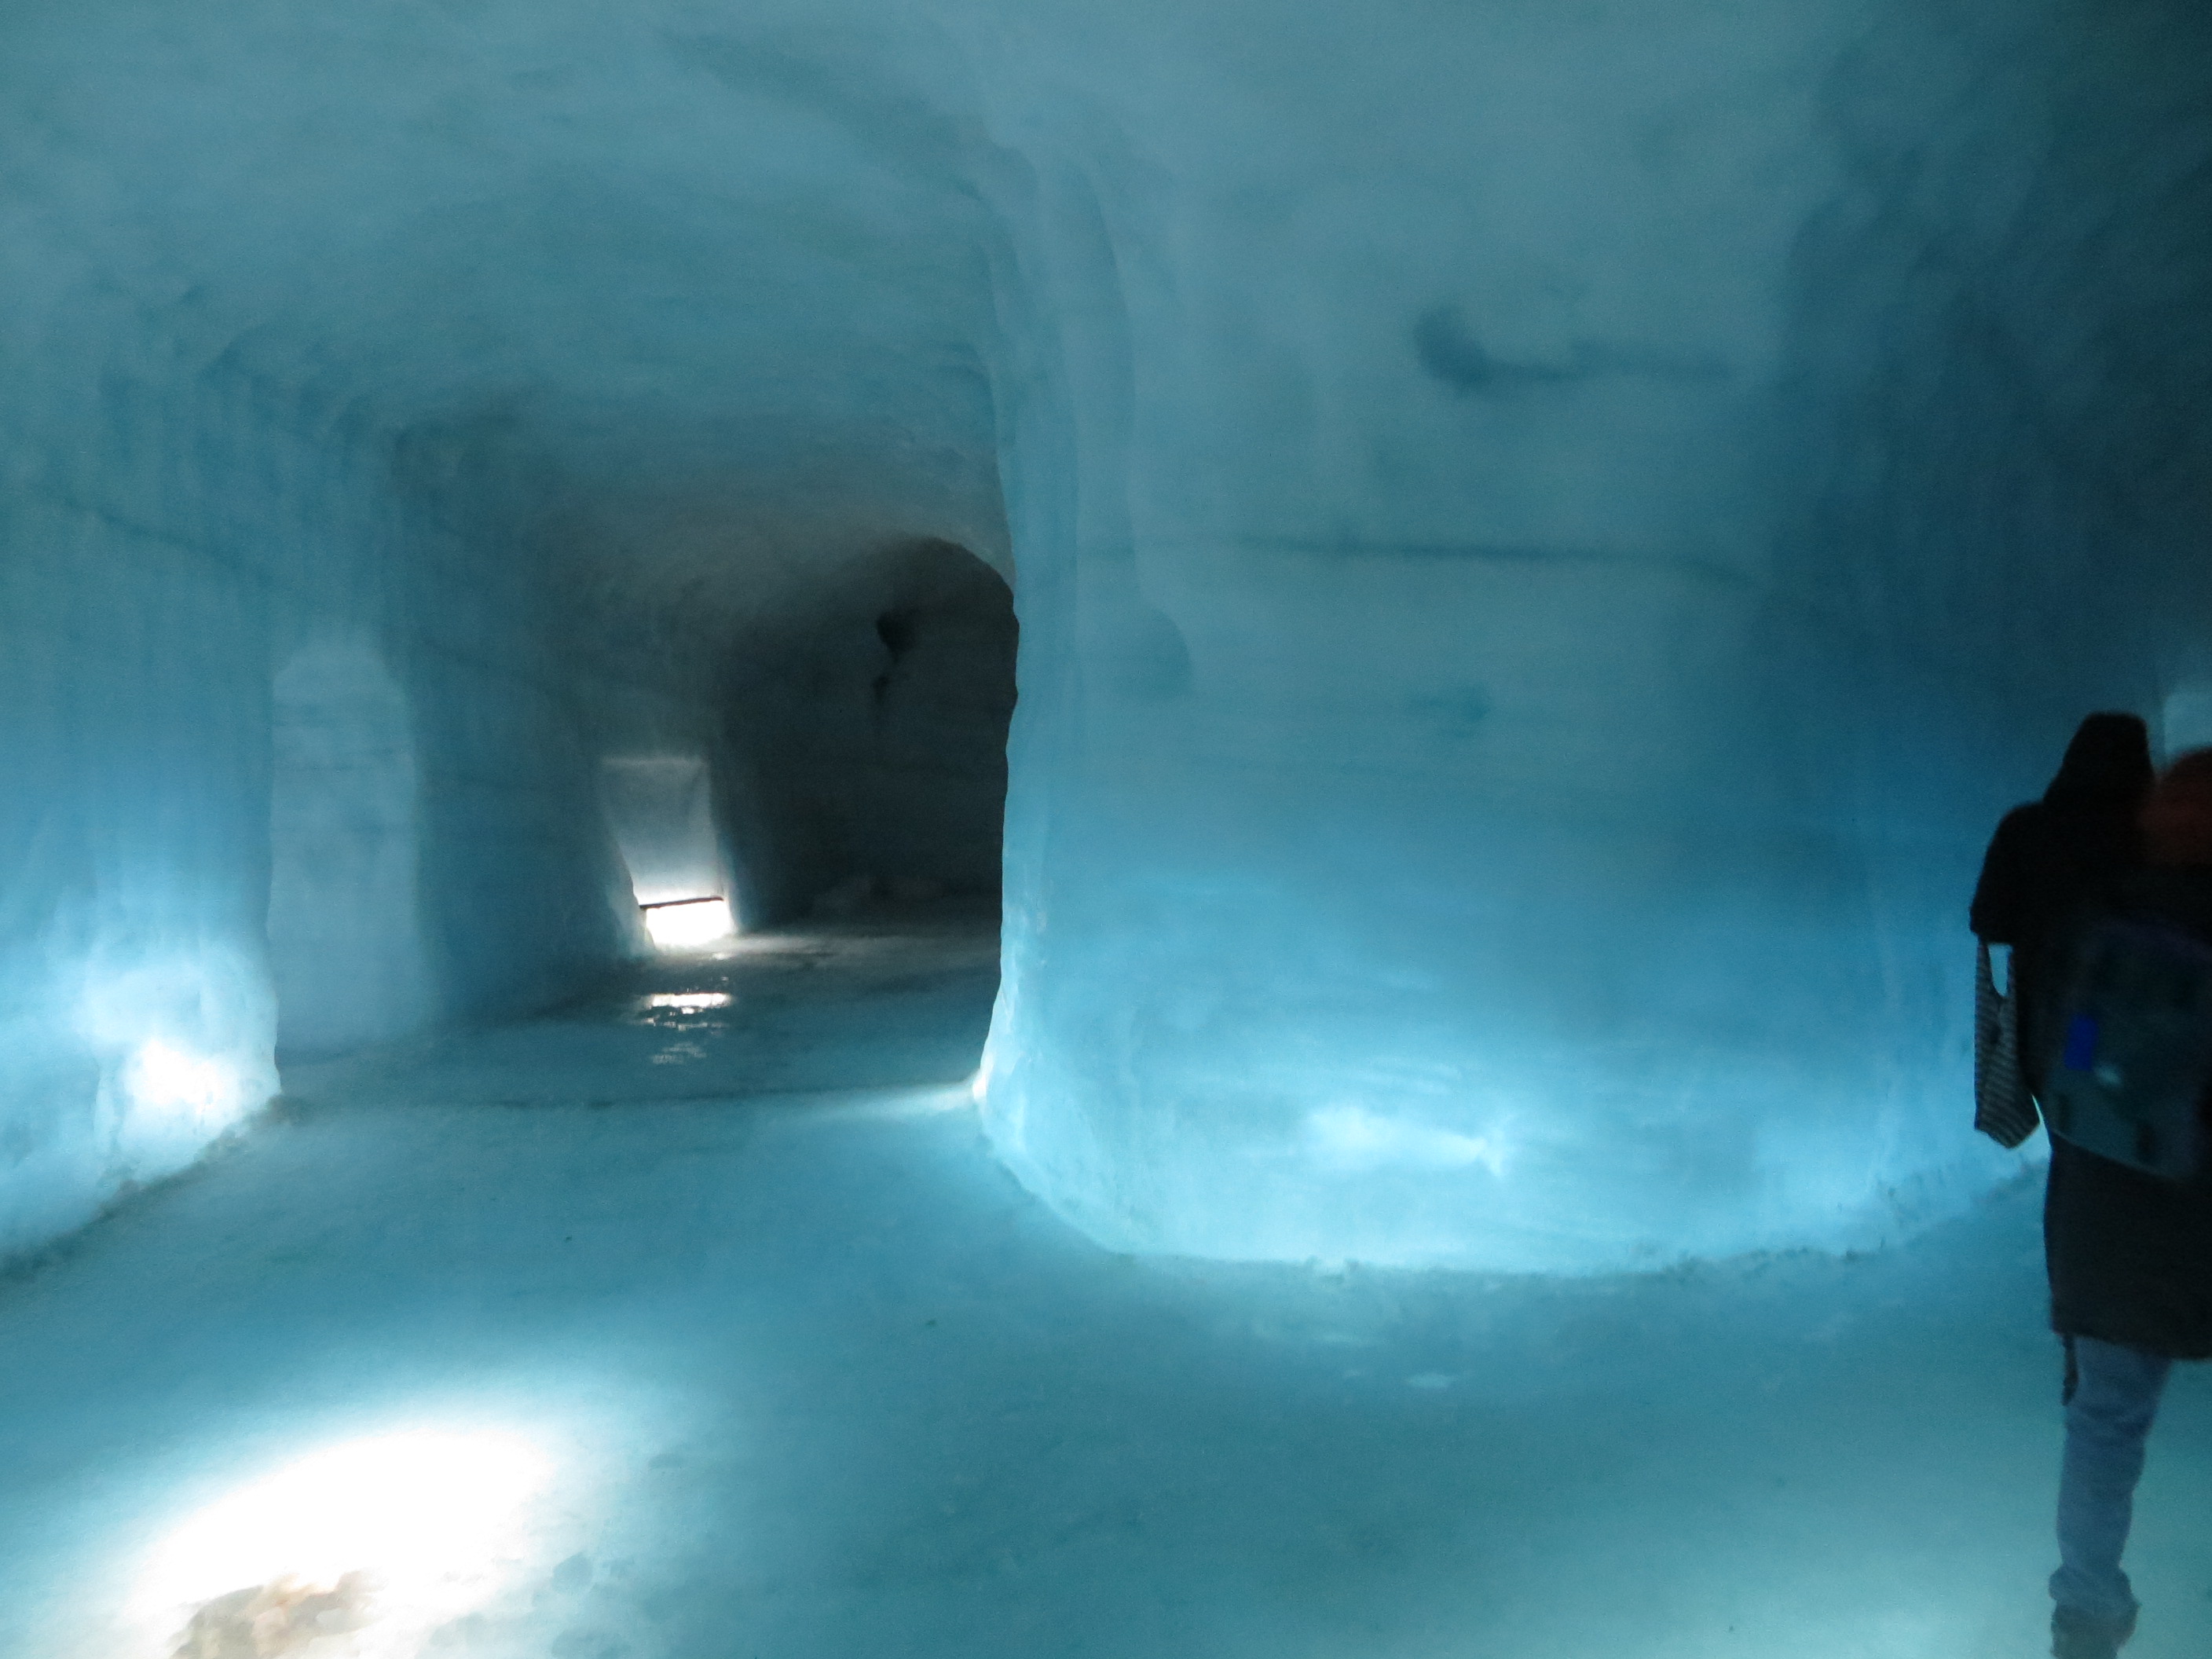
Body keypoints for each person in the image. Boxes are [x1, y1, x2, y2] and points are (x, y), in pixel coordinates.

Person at [2032, 749, 2212, 1659]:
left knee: (2103, 1428)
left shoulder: (2093, 917)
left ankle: (2086, 1619)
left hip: (2105, 1210)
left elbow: (2060, 1064)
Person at [1971, 713, 2155, 1100]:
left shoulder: (2025, 828)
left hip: (2045, 1014)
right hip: (2139, 1016)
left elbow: (1989, 922)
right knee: (2126, 1123)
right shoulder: (2152, 836)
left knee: (2073, 1111)